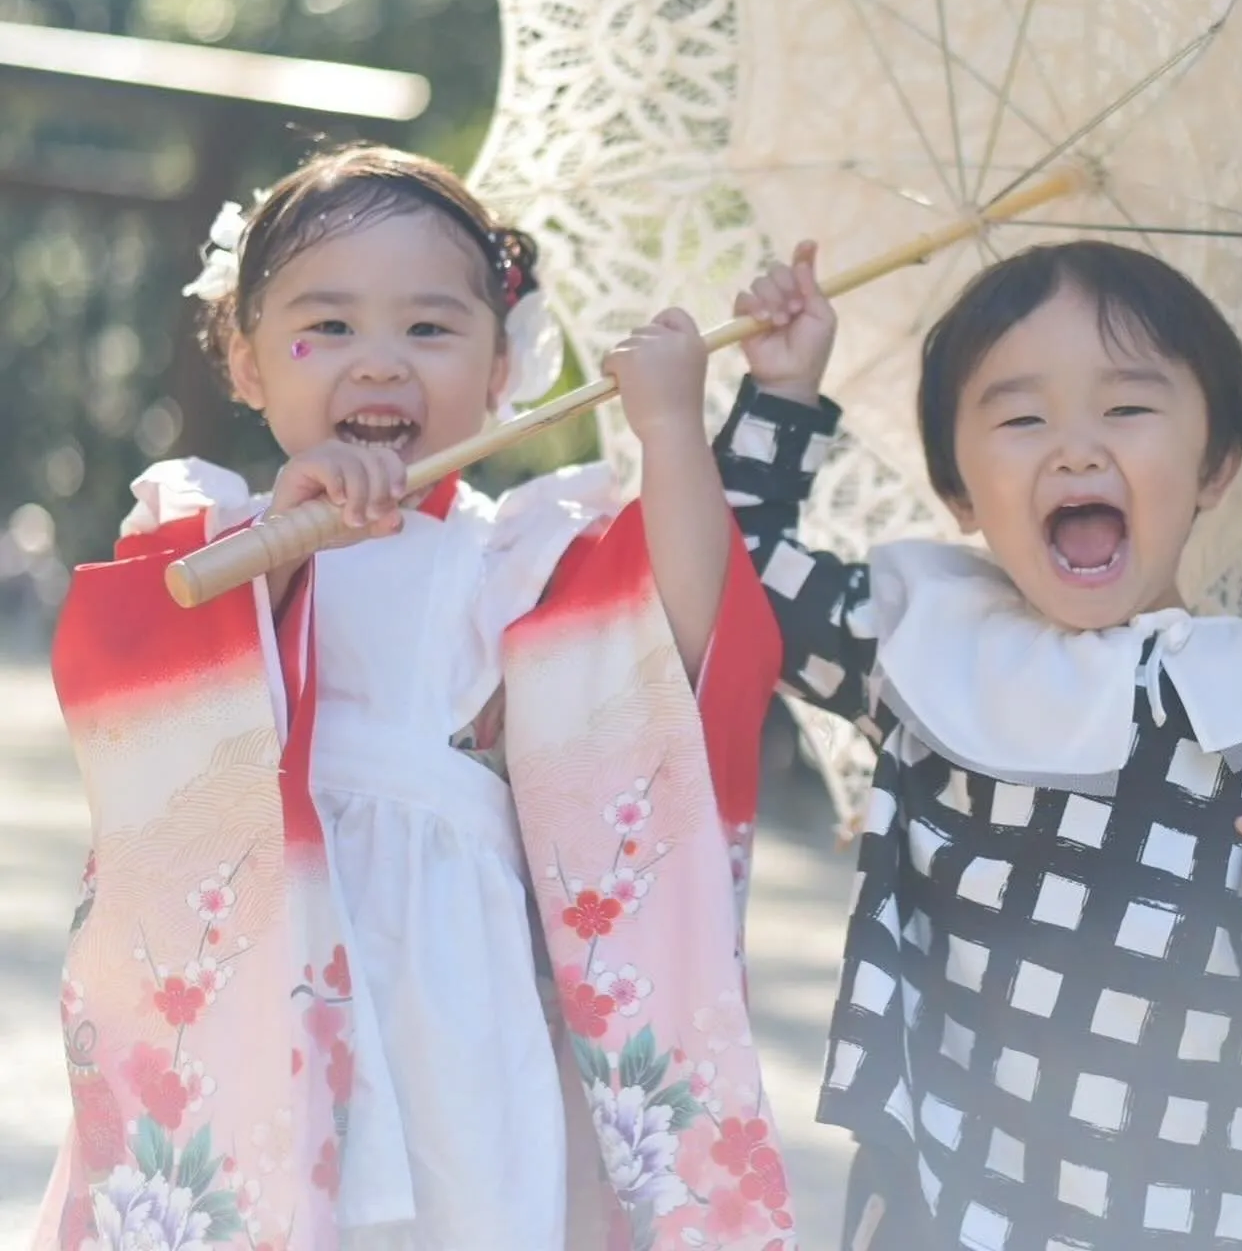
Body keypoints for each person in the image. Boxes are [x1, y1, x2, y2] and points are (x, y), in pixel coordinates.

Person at [36, 145, 797, 1251]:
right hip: (274, 938)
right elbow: (143, 704)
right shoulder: (219, 533)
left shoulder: (512, 551)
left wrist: (671, 429)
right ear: (245, 363)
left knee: (464, 1197)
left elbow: (675, 636)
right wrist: (281, 544)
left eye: (430, 329)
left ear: (503, 368)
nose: (381, 364)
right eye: (328, 329)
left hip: (454, 961)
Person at [714, 238, 1242, 1251]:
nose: (1076, 448)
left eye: (1129, 409)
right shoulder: (927, 645)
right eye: (1020, 418)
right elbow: (732, 582)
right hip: (939, 1188)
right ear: (959, 491)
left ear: (1215, 464)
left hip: (1178, 1198)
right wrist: (781, 393)